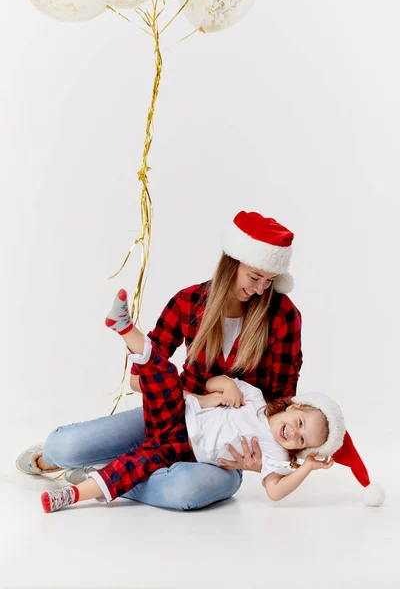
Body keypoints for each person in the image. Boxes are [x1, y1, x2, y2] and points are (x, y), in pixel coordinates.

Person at [17, 211, 304, 510]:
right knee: (64, 447)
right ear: (231, 263)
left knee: (183, 491)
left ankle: (98, 479)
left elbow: (280, 401)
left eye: (269, 281)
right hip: (172, 413)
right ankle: (78, 467)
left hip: (219, 449)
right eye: (254, 277)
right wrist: (194, 399)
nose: (260, 289)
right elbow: (137, 378)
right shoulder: (190, 301)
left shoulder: (283, 316)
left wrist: (262, 461)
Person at [41, 290, 384, 513]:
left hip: (186, 452)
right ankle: (126, 330)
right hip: (183, 411)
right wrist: (223, 387)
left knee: (152, 474)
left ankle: (77, 491)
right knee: (163, 377)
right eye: (298, 424)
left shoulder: (277, 453)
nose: (293, 434)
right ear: (293, 407)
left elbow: (275, 492)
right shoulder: (256, 400)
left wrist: (307, 466)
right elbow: (212, 382)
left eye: (302, 440)